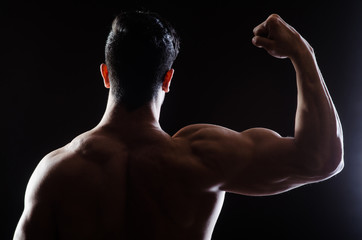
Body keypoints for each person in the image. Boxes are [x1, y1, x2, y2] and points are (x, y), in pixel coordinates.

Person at [13, 11, 344, 240]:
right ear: (168, 79)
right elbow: (322, 159)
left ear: (106, 74)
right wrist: (303, 52)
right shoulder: (201, 159)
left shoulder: (55, 173)